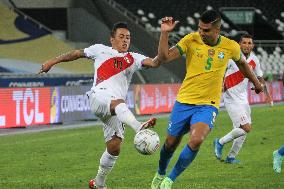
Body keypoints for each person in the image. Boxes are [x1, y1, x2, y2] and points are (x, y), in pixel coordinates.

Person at [38, 22, 162, 189]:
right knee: (118, 103)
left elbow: (155, 63)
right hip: (99, 97)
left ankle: (98, 183)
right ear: (112, 39)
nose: (125, 40)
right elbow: (76, 53)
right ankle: (139, 126)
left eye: (128, 37)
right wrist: (52, 61)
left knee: (114, 146)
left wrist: (164, 35)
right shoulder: (99, 49)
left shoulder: (133, 58)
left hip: (115, 109)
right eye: (121, 37)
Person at [151, 10, 264, 189]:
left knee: (196, 140)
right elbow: (163, 58)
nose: (201, 33)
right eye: (199, 28)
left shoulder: (230, 46)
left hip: (208, 105)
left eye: (206, 30)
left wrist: (257, 83)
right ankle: (161, 172)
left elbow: (243, 64)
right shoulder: (190, 39)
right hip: (184, 101)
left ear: (217, 30)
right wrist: (165, 33)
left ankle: (169, 180)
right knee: (170, 143)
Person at [213, 34, 273, 164]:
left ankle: (231, 157)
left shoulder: (254, 60)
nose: (247, 45)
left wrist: (264, 92)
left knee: (242, 132)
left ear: (253, 45)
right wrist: (220, 87)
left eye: (249, 43)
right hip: (231, 98)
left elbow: (260, 77)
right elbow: (220, 72)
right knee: (246, 127)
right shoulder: (231, 57)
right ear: (239, 44)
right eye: (244, 43)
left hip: (243, 99)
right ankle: (219, 142)